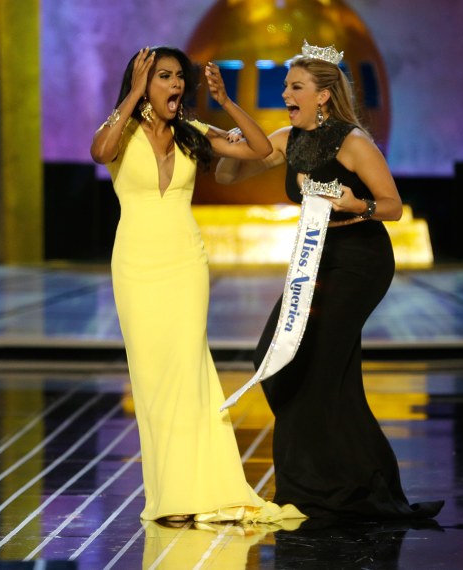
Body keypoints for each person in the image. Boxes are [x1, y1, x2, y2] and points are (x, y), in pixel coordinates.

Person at [215, 41, 444, 520]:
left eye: (295, 86)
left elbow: (393, 207)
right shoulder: (286, 137)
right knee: (275, 361)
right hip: (315, 260)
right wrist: (233, 140)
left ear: (322, 95)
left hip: (359, 259)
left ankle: (316, 487)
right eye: (285, 86)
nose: (285, 94)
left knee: (317, 369)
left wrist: (353, 204)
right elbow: (229, 174)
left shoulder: (353, 142)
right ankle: (358, 479)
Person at [90, 46, 305, 525]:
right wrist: (130, 96)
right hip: (136, 264)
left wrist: (225, 101)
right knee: (151, 379)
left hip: (185, 262)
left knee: (188, 371)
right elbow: (99, 152)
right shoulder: (121, 134)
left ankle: (204, 487)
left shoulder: (195, 135)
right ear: (143, 83)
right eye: (164, 76)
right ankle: (170, 491)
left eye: (179, 77)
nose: (177, 85)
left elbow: (262, 150)